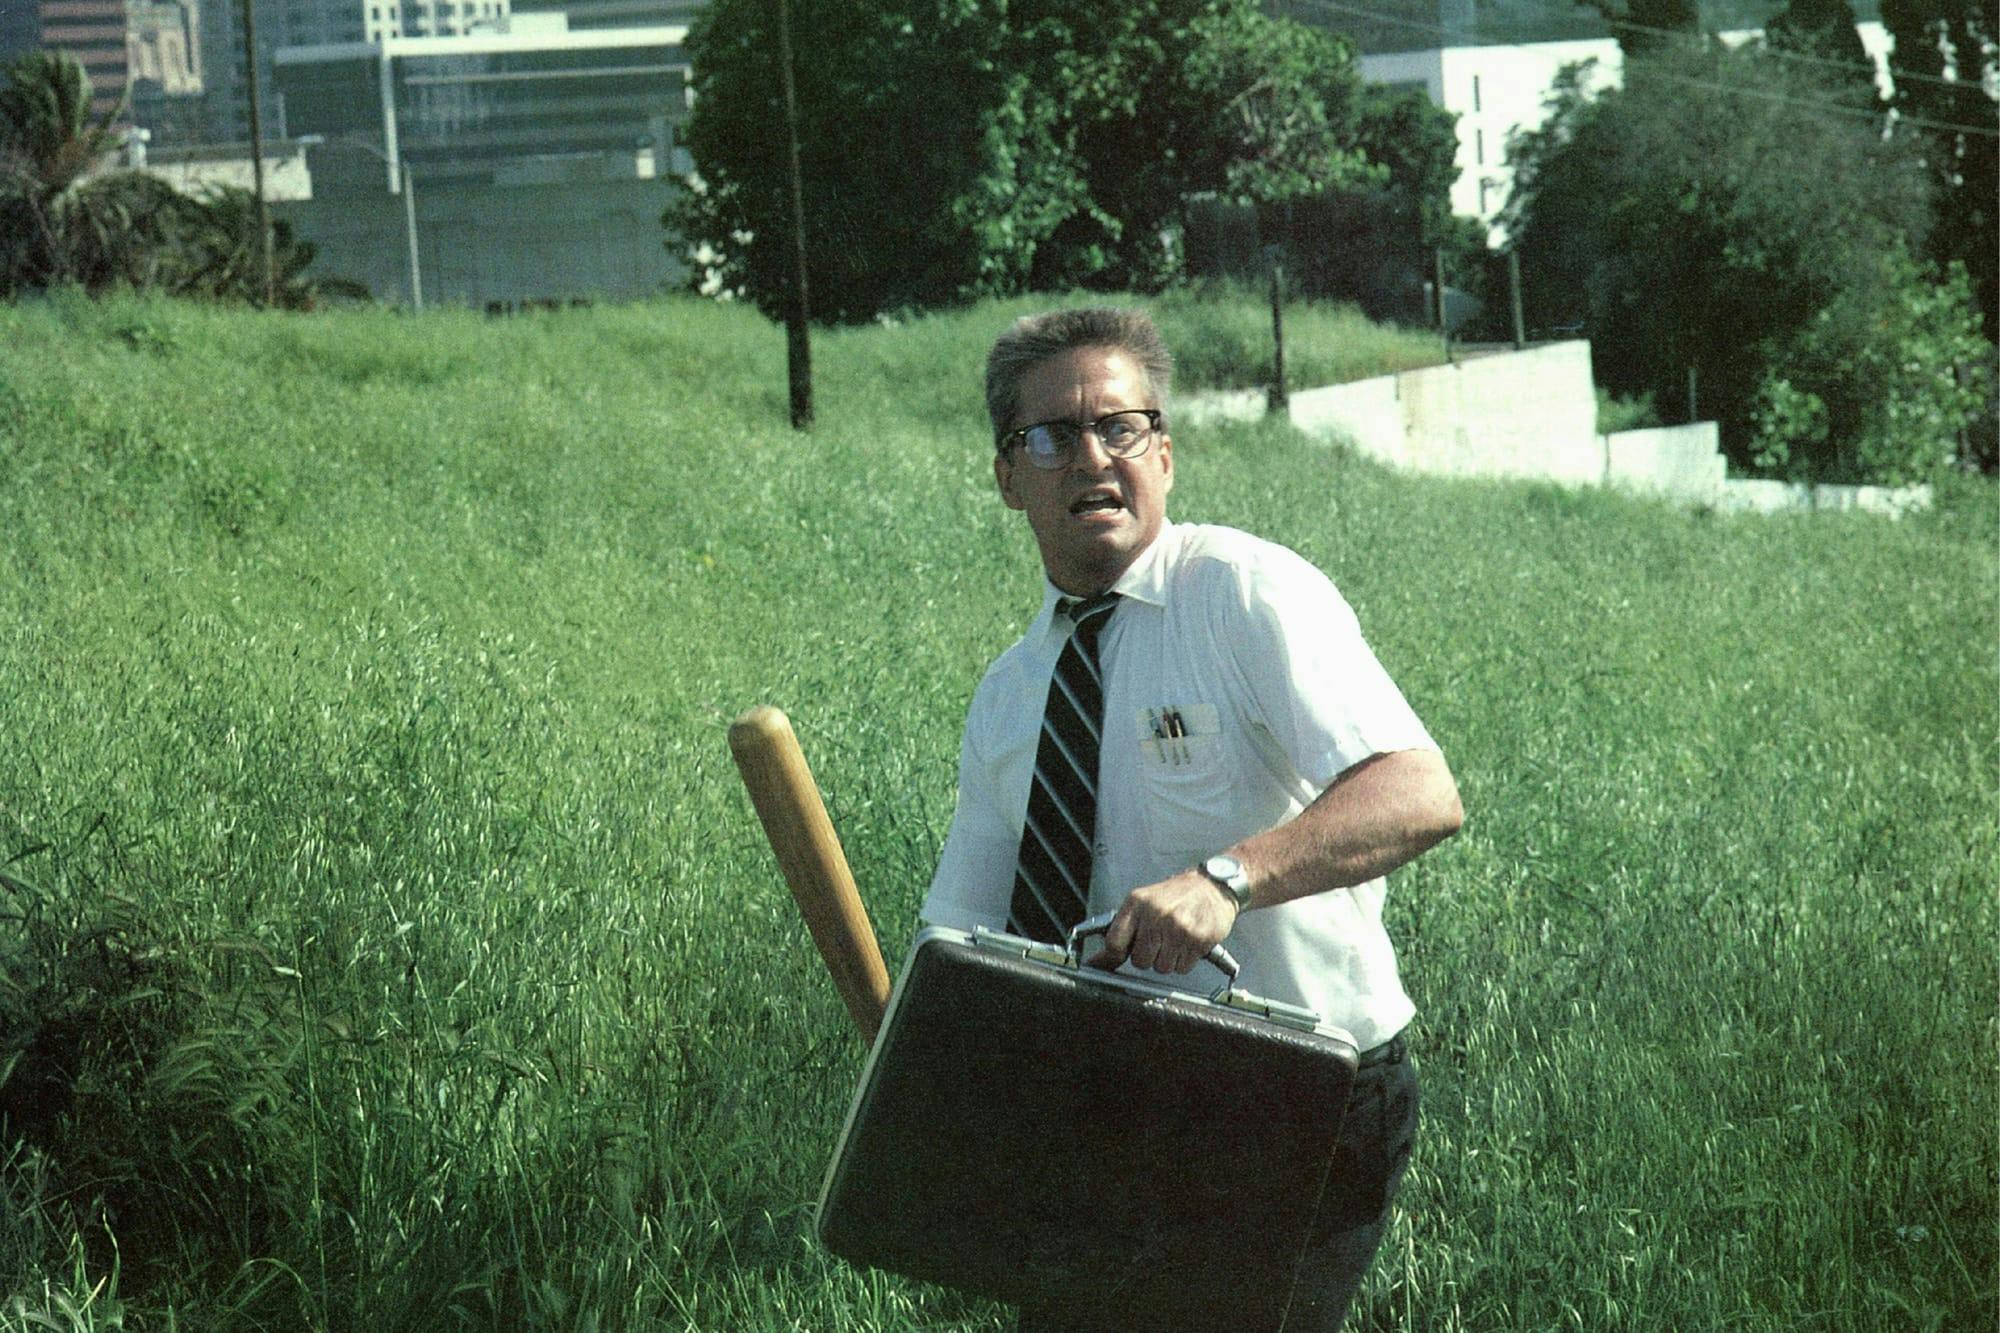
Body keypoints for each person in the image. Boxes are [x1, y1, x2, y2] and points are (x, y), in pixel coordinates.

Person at [919, 306, 1464, 1331]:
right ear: (1006, 478)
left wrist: (1227, 880)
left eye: (1119, 426)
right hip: (1117, 1108)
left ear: (1162, 455)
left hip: (1302, 1096)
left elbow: (1419, 790)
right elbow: (959, 936)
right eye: (1050, 435)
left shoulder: (1244, 595)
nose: (1091, 454)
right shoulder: (1008, 694)